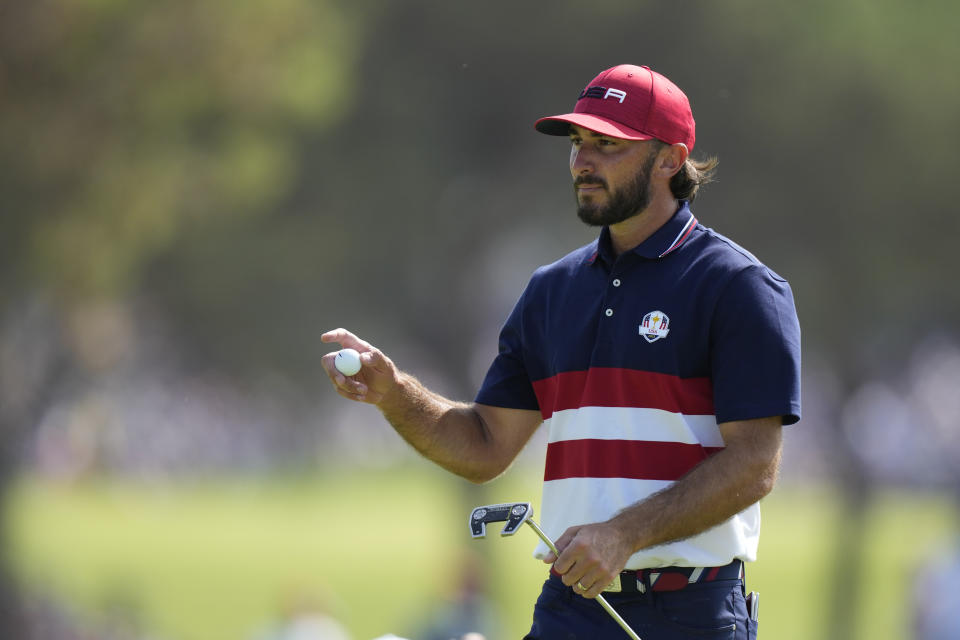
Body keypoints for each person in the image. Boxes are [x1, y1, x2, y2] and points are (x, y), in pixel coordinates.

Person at [322, 64, 801, 640]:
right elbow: (485, 447)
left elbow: (754, 465)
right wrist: (394, 395)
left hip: (691, 611)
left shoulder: (737, 286)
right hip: (573, 608)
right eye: (578, 144)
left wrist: (624, 534)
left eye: (607, 145)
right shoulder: (551, 291)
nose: (582, 162)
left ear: (671, 159)